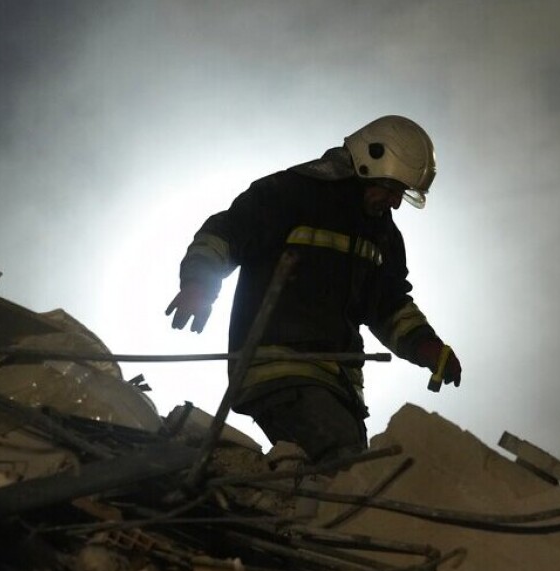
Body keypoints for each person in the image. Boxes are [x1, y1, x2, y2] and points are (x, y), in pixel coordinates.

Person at [165, 115, 462, 464]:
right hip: (281, 371)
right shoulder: (292, 193)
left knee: (347, 476)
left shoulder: (384, 237)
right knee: (344, 467)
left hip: (341, 386)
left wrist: (425, 345)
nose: (395, 202)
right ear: (369, 162)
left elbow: (388, 305)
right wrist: (199, 283)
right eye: (392, 189)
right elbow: (225, 234)